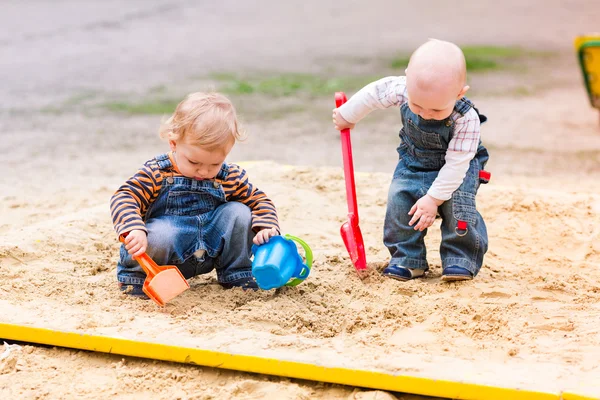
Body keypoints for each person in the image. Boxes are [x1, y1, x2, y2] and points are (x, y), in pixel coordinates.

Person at [332, 39, 490, 282]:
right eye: (417, 106)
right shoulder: (402, 88)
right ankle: (408, 259)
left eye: (437, 111)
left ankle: (460, 259)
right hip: (413, 161)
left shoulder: (466, 118)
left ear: (459, 93)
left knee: (458, 209)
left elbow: (457, 164)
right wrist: (347, 115)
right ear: (407, 80)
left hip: (458, 168)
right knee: (399, 201)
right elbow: (374, 94)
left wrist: (433, 199)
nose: (425, 114)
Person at [110, 92, 279, 296]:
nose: (204, 171)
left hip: (209, 251)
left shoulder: (228, 177)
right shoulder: (157, 172)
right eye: (194, 162)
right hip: (169, 256)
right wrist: (134, 229)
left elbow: (259, 200)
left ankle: (236, 272)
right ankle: (136, 278)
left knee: (240, 212)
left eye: (214, 164)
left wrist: (267, 227)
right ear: (174, 143)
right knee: (160, 235)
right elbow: (125, 196)